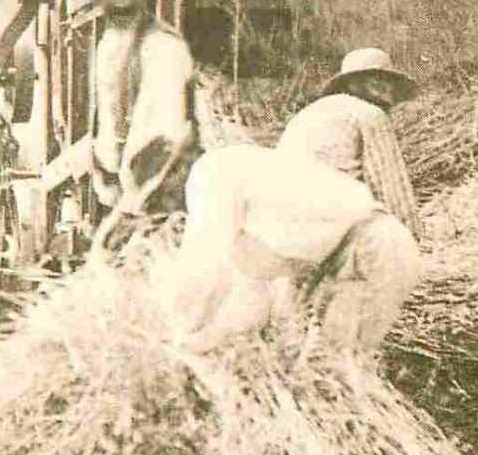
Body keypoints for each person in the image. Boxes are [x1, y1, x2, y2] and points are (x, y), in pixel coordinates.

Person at [172, 144, 422, 353]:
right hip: (362, 252)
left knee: (332, 372)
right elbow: (253, 294)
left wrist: (182, 333)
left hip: (371, 251)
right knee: (312, 364)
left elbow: (206, 263)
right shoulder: (243, 169)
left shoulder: (213, 172)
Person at [71, 0, 196, 245]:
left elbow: (163, 143)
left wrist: (129, 210)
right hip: (118, 195)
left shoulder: (163, 48)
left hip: (156, 203)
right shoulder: (109, 42)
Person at [277, 47, 422, 236]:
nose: (387, 87)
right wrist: (410, 239)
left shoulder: (311, 112)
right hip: (329, 220)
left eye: (388, 80)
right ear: (353, 83)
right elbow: (391, 188)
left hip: (283, 219)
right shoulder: (370, 114)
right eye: (376, 79)